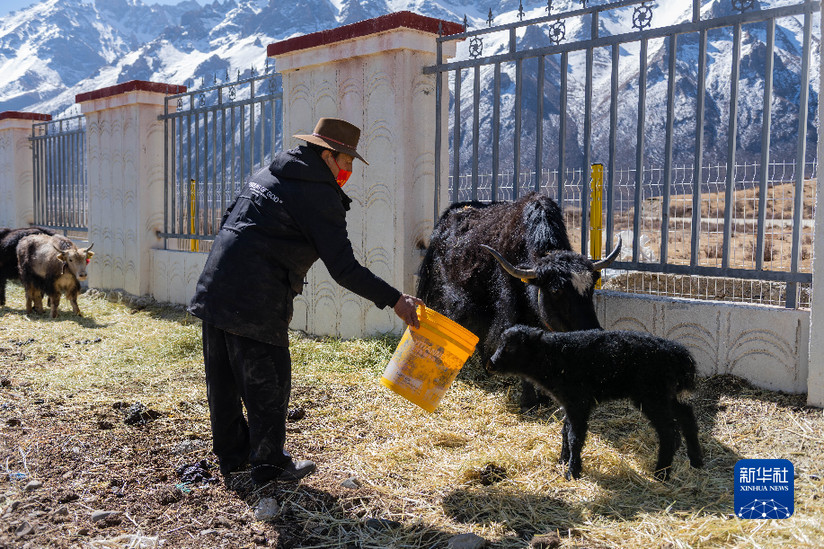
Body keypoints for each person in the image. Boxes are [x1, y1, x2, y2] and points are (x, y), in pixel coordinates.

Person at [188, 117, 423, 485]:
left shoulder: (269, 172)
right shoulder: (318, 193)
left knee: (223, 381)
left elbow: (228, 218)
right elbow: (343, 268)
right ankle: (268, 467)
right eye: (346, 163)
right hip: (256, 296)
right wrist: (395, 300)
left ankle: (233, 460)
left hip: (215, 284)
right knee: (271, 378)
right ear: (328, 155)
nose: (348, 172)